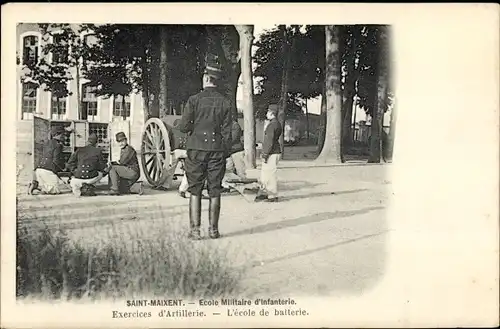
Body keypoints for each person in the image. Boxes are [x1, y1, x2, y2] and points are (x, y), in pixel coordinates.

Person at [178, 55, 232, 240]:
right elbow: (228, 132)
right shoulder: (225, 102)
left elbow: (184, 127)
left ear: (207, 78)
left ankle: (195, 231)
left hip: (196, 149)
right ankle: (213, 230)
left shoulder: (194, 100)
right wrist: (224, 151)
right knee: (215, 189)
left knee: (195, 189)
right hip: (217, 150)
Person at [27, 126, 69, 195]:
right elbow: (56, 160)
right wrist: (63, 169)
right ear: (57, 135)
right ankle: (37, 186)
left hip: (39, 170)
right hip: (48, 170)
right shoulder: (58, 145)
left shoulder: (46, 143)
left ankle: (35, 186)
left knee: (47, 188)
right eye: (62, 134)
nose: (63, 137)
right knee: (55, 191)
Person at [255, 104, 282, 202]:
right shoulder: (276, 124)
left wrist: (265, 154)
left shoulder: (272, 125)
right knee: (265, 174)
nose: (266, 113)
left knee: (269, 174)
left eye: (268, 112)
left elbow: (269, 141)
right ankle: (264, 192)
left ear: (271, 113)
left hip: (271, 152)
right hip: (274, 151)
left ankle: (273, 195)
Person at [222, 119, 246, 190]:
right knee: (228, 170)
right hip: (229, 152)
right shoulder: (224, 126)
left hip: (236, 151)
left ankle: (245, 187)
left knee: (240, 170)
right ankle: (229, 186)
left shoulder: (235, 125)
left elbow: (233, 138)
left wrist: (223, 141)